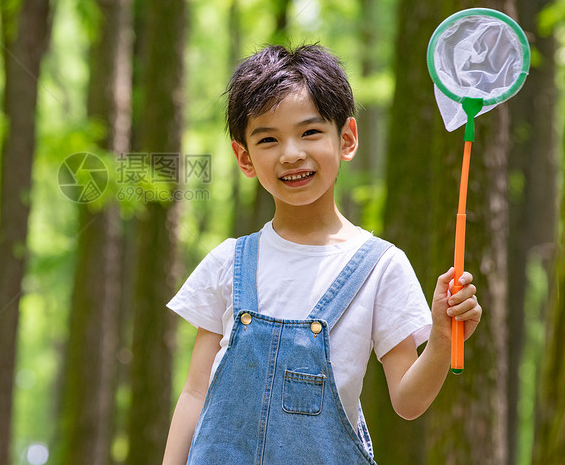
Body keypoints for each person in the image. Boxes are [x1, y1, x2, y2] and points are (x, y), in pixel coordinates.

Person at [162, 44, 482, 464]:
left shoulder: (380, 267)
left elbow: (408, 401)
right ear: (245, 158)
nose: (291, 153)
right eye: (268, 139)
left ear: (346, 138)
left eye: (310, 132)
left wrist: (441, 341)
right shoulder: (228, 263)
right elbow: (195, 392)